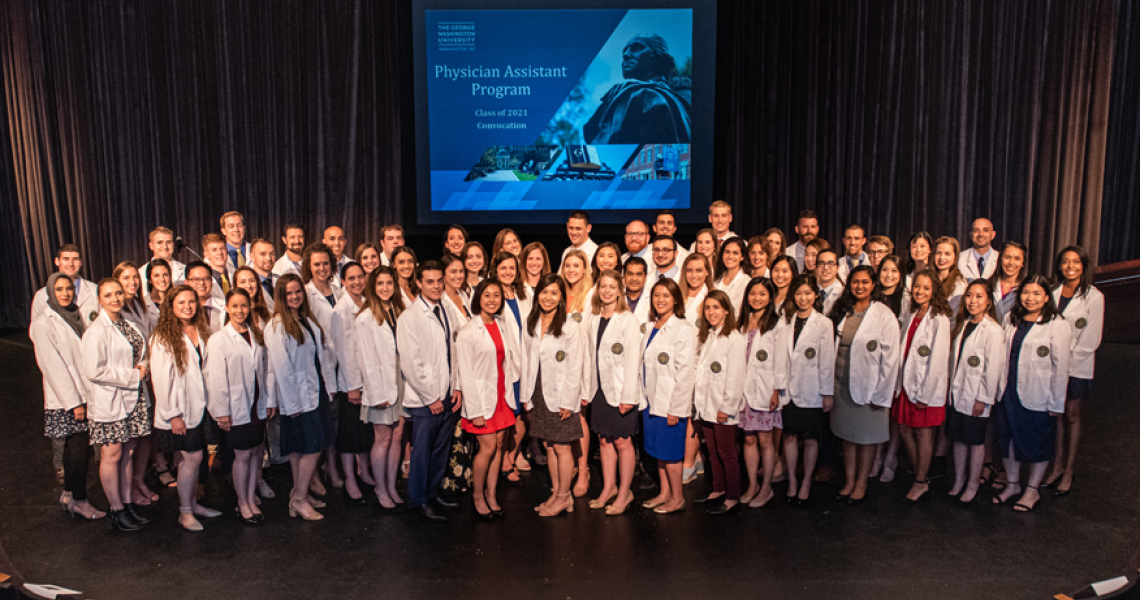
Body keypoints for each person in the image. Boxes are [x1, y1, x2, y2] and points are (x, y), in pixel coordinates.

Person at [993, 275, 1070, 511]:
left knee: (1037, 441)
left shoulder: (1058, 324)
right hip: (1008, 389)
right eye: (1026, 292)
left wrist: (1057, 403)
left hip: (1038, 393)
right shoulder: (1010, 318)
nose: (1030, 298)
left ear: (1047, 297)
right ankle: (1013, 484)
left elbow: (1061, 367)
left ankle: (1032, 490)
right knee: (1008, 439)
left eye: (1037, 293)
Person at [81, 279, 152, 531]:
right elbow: (93, 370)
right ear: (99, 299)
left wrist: (143, 365)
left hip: (133, 398)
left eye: (118, 293)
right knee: (111, 455)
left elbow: (140, 351)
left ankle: (126, 503)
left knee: (128, 452)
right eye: (108, 295)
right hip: (110, 401)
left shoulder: (127, 323)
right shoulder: (96, 331)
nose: (115, 298)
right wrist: (134, 375)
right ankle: (116, 509)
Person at [151, 283, 223, 531]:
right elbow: (161, 380)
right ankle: (185, 512)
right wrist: (172, 415)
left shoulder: (200, 330)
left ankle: (194, 503)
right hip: (180, 412)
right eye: (181, 302)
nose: (187, 306)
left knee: (198, 458)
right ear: (170, 306)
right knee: (190, 459)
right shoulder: (162, 337)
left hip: (201, 408)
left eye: (191, 301)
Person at [31, 273, 102, 521]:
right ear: (50, 292)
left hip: (82, 394)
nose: (65, 293)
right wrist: (75, 403)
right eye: (59, 289)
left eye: (68, 288)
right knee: (79, 450)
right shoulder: (43, 323)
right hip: (68, 400)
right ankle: (80, 501)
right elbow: (52, 366)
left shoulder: (75, 315)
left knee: (76, 448)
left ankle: (70, 495)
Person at [827, 266, 900, 506]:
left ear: (873, 285)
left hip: (869, 387)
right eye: (855, 282)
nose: (859, 286)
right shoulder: (842, 310)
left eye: (865, 282)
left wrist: (881, 393)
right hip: (841, 383)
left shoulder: (883, 314)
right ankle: (849, 481)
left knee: (866, 438)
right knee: (847, 435)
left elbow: (891, 359)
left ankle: (861, 483)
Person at [266, 274, 336, 521]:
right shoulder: (276, 326)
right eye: (289, 293)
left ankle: (299, 494)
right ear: (281, 298)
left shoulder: (306, 320)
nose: (295, 296)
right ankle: (299, 500)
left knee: (298, 451)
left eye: (298, 292)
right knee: (312, 449)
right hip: (298, 400)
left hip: (314, 395)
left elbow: (318, 359)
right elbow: (281, 369)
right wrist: (292, 404)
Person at [398, 261, 462, 521]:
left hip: (447, 395)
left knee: (440, 450)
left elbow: (454, 351)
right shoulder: (409, 317)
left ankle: (433, 491)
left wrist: (456, 386)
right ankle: (417, 500)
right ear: (419, 284)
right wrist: (430, 397)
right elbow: (412, 363)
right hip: (427, 399)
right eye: (430, 281)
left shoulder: (446, 308)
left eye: (439, 281)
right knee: (422, 452)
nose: (436, 286)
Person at [205, 288, 274, 524]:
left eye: (243, 306)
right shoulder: (218, 340)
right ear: (226, 308)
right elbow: (215, 378)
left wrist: (269, 399)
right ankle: (242, 502)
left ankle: (251, 496)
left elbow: (265, 371)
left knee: (256, 452)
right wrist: (221, 411)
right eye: (234, 306)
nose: (239, 310)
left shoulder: (256, 334)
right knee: (242, 456)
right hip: (235, 409)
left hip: (257, 405)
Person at [456, 279, 521, 519]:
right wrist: (475, 411)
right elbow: (466, 373)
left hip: (501, 397)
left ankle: (492, 494)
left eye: (496, 295)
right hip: (482, 401)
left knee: (500, 446)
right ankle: (478, 496)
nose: (492, 299)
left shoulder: (501, 325)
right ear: (478, 299)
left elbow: (507, 362)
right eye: (487, 295)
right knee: (488, 447)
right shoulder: (469, 331)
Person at [521, 274, 584, 517]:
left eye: (554, 293)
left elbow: (575, 366)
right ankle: (559, 493)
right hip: (538, 391)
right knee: (548, 445)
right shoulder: (531, 321)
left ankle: (562, 496)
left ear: (561, 298)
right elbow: (527, 362)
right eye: (544, 292)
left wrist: (568, 401)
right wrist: (527, 396)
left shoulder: (570, 325)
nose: (548, 297)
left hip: (560, 395)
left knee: (562, 447)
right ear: (538, 295)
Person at [581, 270, 642, 516]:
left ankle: (625, 492)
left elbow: (633, 362)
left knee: (622, 442)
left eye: (612, 286)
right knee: (604, 441)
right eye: (603, 286)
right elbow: (587, 358)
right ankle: (609, 488)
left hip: (620, 392)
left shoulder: (627, 320)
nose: (607, 291)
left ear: (620, 290)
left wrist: (628, 397)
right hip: (599, 391)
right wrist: (586, 389)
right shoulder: (592, 319)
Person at [1046, 245, 1104, 497]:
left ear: (1083, 266)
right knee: (1056, 414)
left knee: (1071, 414)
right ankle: (1056, 465)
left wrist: (1065, 366)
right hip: (1051, 365)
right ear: (1059, 266)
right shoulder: (1051, 292)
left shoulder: (1094, 297)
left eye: (1076, 262)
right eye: (1065, 262)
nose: (1070, 266)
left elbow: (1090, 341)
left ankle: (1069, 469)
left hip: (1077, 366)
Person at [890, 269, 952, 502]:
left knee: (924, 434)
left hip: (924, 387)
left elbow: (938, 359)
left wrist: (926, 393)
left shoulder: (940, 319)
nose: (920, 291)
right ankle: (922, 476)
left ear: (935, 290)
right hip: (906, 384)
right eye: (917, 286)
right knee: (905, 430)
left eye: (926, 288)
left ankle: (919, 481)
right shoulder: (912, 313)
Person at [775, 275, 834, 505]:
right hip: (789, 391)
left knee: (810, 439)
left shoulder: (823, 323)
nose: (803, 298)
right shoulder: (785, 321)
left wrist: (827, 392)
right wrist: (778, 388)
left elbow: (827, 360)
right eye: (799, 293)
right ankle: (792, 481)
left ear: (815, 296)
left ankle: (806, 481)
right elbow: (780, 358)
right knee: (789, 438)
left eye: (808, 293)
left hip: (813, 390)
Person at [639, 278, 696, 515]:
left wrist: (677, 408)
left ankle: (677, 497)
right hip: (650, 401)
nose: (660, 300)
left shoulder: (683, 329)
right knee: (657, 452)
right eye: (656, 295)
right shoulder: (651, 326)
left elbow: (685, 374)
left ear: (675, 300)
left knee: (671, 454)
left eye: (666, 295)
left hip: (669, 403)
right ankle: (664, 493)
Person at [946, 280, 1006, 504]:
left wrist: (982, 398)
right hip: (958, 394)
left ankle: (972, 483)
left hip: (976, 397)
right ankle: (959, 479)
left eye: (979, 296)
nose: (973, 301)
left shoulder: (992, 330)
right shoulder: (962, 325)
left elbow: (992, 369)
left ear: (988, 302)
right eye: (969, 296)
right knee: (959, 440)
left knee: (975, 441)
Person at [354, 266, 407, 510]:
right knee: (383, 438)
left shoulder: (399, 310)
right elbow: (366, 359)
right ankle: (380, 488)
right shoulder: (365, 318)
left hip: (400, 380)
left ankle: (392, 485)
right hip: (381, 383)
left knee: (397, 436)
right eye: (380, 284)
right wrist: (376, 393)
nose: (385, 288)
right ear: (372, 287)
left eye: (389, 283)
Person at [582, 34, 691, 144]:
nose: (625, 55)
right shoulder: (620, 93)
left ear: (658, 57)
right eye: (625, 51)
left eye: (637, 48)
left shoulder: (641, 93)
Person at [692, 291, 746, 515]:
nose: (711, 312)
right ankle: (718, 488)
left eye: (716, 307)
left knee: (726, 452)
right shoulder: (710, 336)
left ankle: (732, 495)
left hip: (723, 407)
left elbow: (735, 376)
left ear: (726, 310)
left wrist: (727, 406)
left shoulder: (733, 338)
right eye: (707, 308)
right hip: (707, 404)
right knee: (712, 451)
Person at [329, 262, 376, 504]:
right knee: (348, 434)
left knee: (365, 430)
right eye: (351, 278)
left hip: (369, 381)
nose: (357, 281)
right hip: (351, 384)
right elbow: (343, 351)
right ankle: (349, 478)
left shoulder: (367, 301)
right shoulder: (340, 309)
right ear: (343, 281)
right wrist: (353, 386)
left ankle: (364, 470)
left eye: (360, 277)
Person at [113, 262, 159, 506]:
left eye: (135, 278)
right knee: (131, 440)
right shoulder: (117, 312)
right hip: (131, 382)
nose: (132, 282)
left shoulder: (141, 306)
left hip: (148, 379)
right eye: (126, 278)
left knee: (146, 435)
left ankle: (139, 479)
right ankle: (128, 489)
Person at [737, 277, 784, 508]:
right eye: (753, 293)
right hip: (743, 390)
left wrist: (775, 390)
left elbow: (781, 360)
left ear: (770, 297)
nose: (757, 298)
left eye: (762, 294)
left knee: (766, 440)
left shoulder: (778, 324)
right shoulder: (741, 322)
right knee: (748, 439)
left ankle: (766, 488)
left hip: (765, 390)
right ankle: (752, 485)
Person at [489, 252, 532, 482]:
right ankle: (504, 460)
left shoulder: (523, 294)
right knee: (507, 416)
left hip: (525, 363)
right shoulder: (493, 296)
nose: (507, 272)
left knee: (524, 414)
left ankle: (512, 455)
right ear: (495, 270)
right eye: (503, 268)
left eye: (511, 268)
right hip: (505, 365)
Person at [31, 244, 99, 326]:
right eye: (66, 259)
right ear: (57, 261)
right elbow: (38, 329)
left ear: (81, 262)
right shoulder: (42, 296)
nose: (71, 264)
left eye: (75, 259)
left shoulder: (95, 290)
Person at [989, 241, 1028, 321]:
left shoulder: (1027, 290)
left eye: (1017, 258)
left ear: (1023, 263)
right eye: (1007, 257)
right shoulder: (987, 285)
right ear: (1000, 259)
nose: (1011, 262)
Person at [140, 227, 186, 294]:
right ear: (151, 246)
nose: (165, 246)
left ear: (173, 245)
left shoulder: (185, 270)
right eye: (160, 242)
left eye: (168, 242)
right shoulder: (141, 272)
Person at [934, 236, 968, 313]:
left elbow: (954, 314)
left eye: (947, 254)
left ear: (955, 257)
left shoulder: (959, 283)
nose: (942, 257)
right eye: (938, 253)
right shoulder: (928, 278)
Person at [714, 238, 749, 311]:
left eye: (735, 253)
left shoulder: (747, 282)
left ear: (742, 257)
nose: (730, 256)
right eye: (727, 252)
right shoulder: (715, 279)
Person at [441, 254, 473, 331]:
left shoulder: (464, 294)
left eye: (461, 271)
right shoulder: (440, 301)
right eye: (453, 272)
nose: (459, 276)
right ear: (443, 274)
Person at [679, 253, 713, 323]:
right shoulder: (676, 294)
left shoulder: (714, 297)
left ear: (707, 272)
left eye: (699, 270)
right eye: (689, 270)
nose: (693, 275)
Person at [562, 249, 594, 321]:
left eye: (576, 266)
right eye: (567, 266)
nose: (570, 270)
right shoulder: (559, 294)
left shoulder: (591, 295)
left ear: (585, 269)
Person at [248, 239, 279, 312]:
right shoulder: (245, 284)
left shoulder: (282, 280)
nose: (269, 258)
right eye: (263, 254)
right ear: (252, 257)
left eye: (272, 254)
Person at [202, 233, 233, 304]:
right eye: (214, 250)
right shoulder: (204, 282)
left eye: (222, 248)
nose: (219, 253)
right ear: (206, 255)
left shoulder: (234, 275)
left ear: (227, 251)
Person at [144, 259, 173, 334]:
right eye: (156, 275)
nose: (162, 279)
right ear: (150, 280)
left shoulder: (177, 302)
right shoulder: (142, 305)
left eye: (165, 275)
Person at [814, 249, 843, 315]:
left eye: (831, 263)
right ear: (816, 267)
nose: (826, 267)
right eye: (821, 263)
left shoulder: (843, 294)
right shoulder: (810, 290)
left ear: (838, 268)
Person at [623, 257, 652, 323]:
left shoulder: (652, 300)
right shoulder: (615, 298)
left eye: (639, 274)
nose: (634, 279)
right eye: (630, 274)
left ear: (645, 277)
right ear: (624, 276)